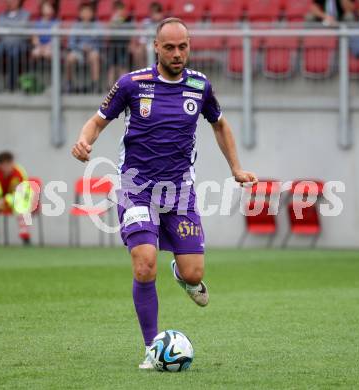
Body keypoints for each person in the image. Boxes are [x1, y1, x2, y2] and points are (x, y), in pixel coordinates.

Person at [72, 18, 257, 369]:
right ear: (156, 47)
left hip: (179, 192)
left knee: (194, 274)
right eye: (169, 47)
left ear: (189, 46)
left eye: (182, 46)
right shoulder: (132, 84)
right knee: (144, 265)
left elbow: (220, 124)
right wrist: (85, 140)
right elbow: (97, 120)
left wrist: (235, 168)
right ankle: (151, 348)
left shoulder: (199, 86)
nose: (176, 53)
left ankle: (181, 273)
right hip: (136, 188)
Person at [0, 152, 31, 245]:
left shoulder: (19, 173)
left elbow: (22, 191)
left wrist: (6, 200)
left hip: (13, 200)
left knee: (22, 203)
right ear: (0, 165)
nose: (8, 166)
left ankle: (25, 237)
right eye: (5, 164)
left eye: (10, 163)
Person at [0, 0, 30, 91]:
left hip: (19, 43)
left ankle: (12, 84)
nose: (10, 1)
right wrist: (13, 28)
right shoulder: (2, 15)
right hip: (4, 43)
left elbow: (23, 28)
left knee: (14, 53)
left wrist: (8, 28)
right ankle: (2, 77)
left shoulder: (25, 14)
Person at [66, 3, 101, 93]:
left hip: (92, 51)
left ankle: (95, 85)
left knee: (95, 56)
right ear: (80, 14)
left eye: (88, 11)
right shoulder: (75, 25)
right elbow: (71, 43)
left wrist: (90, 48)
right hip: (78, 51)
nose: (86, 14)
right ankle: (69, 84)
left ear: (92, 13)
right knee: (69, 58)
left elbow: (99, 42)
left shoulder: (97, 25)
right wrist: (82, 47)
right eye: (84, 12)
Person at [129, 1, 165, 69]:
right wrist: (132, 43)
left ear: (161, 13)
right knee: (138, 51)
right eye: (152, 12)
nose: (154, 14)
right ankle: (143, 71)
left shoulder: (163, 23)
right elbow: (137, 34)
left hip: (158, 45)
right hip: (145, 44)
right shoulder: (145, 22)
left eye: (156, 12)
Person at [107, 0, 132, 88]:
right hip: (113, 46)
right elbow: (108, 31)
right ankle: (110, 87)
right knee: (112, 67)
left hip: (124, 47)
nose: (119, 12)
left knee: (123, 66)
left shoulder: (128, 20)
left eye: (121, 10)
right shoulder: (112, 20)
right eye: (117, 10)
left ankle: (124, 85)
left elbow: (132, 33)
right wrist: (114, 21)